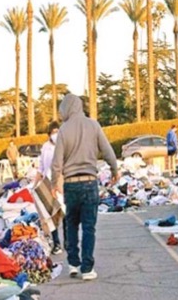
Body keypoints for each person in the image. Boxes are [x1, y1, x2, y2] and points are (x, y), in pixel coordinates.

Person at [51, 92, 119, 281]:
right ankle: (87, 268)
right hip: (90, 182)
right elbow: (107, 151)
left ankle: (73, 264)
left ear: (65, 109)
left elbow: (56, 162)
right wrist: (115, 170)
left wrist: (54, 182)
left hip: (71, 185)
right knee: (89, 226)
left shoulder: (63, 130)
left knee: (71, 224)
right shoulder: (93, 125)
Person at [35, 120, 63, 254]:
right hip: (48, 182)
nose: (55, 135)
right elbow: (41, 166)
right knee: (51, 214)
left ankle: (69, 240)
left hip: (61, 182)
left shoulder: (65, 145)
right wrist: (35, 183)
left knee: (64, 212)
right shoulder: (45, 147)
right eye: (53, 132)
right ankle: (56, 242)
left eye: (57, 132)